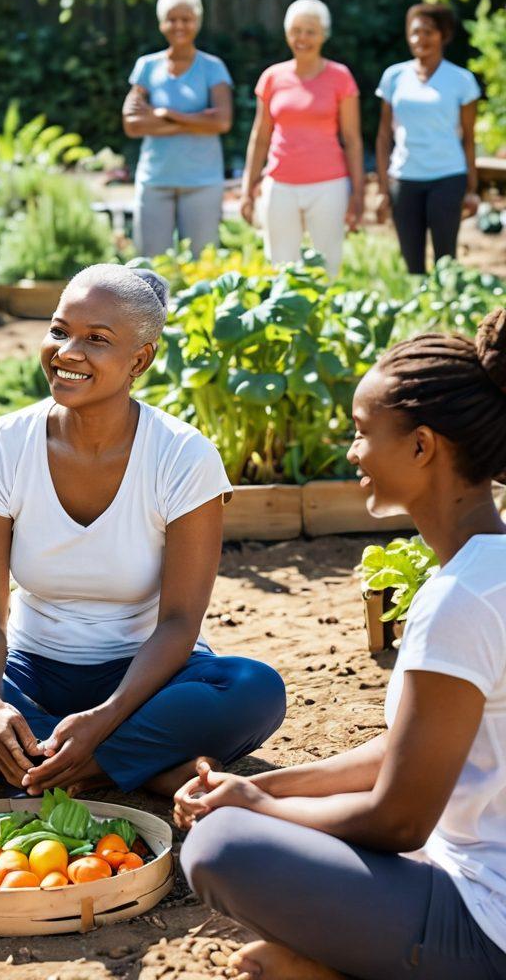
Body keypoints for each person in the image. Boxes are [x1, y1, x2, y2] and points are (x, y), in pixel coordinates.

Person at [0, 264, 285, 801]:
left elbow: (178, 623)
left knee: (253, 690)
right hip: (30, 672)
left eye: (96, 340)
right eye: (59, 331)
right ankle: (129, 765)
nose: (67, 351)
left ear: (140, 360)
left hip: (150, 679)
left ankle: (30, 761)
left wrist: (104, 719)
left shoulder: (182, 455)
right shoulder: (2, 445)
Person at [177, 308, 506, 980]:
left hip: (487, 923)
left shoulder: (460, 601)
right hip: (467, 871)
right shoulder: (486, 573)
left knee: (221, 848)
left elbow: (399, 822)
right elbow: (411, 749)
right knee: (246, 821)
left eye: (362, 434)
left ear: (421, 447)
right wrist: (261, 785)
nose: (351, 453)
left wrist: (265, 810)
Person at [240, 0, 364, 278]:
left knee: (327, 266)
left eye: (310, 31)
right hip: (280, 185)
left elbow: (353, 139)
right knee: (281, 267)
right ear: (287, 34)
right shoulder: (272, 77)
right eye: (296, 30)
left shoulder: (340, 77)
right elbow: (260, 137)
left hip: (328, 185)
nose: (302, 38)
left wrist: (358, 193)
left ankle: (325, 320)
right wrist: (248, 188)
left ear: (323, 35)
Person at [123, 0, 233, 258]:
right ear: (162, 23)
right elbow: (133, 124)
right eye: (172, 19)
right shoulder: (146, 67)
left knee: (201, 265)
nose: (179, 25)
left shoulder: (213, 67)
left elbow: (221, 122)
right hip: (155, 179)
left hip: (202, 181)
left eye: (187, 19)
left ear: (198, 21)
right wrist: (195, 122)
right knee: (148, 268)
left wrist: (163, 114)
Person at [375, 2, 480, 274]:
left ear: (443, 35)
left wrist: (471, 186)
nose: (421, 39)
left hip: (448, 176)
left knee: (446, 260)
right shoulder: (394, 77)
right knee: (412, 263)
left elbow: (469, 137)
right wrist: (384, 187)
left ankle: (446, 309)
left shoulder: (462, 80)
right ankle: (419, 310)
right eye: (415, 32)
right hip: (405, 178)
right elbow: (384, 134)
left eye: (429, 32)